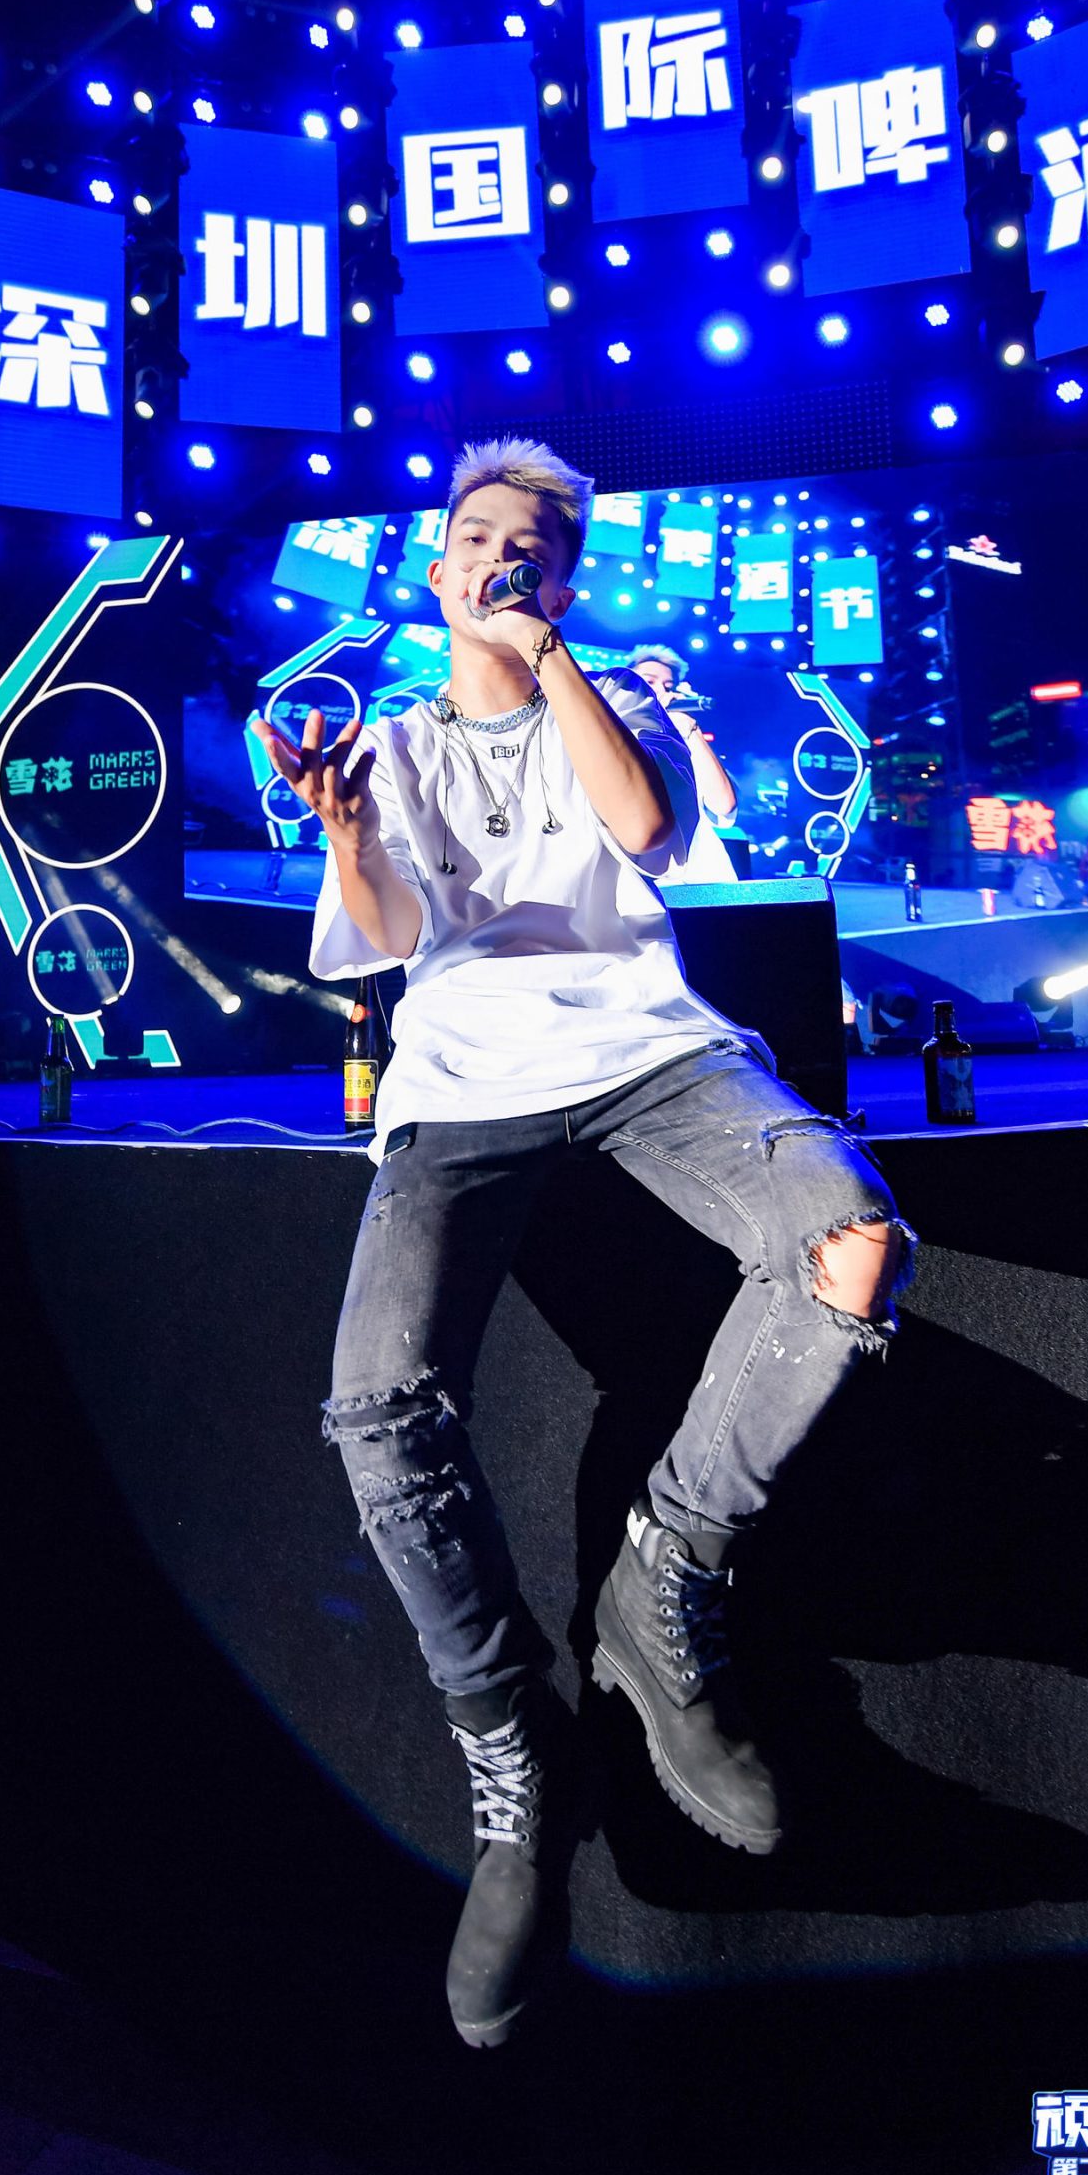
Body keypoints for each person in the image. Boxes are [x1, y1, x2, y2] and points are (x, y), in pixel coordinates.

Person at [254, 440, 910, 2052]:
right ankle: (509, 1751)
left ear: (564, 576)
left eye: (532, 545)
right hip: (458, 1092)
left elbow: (645, 831)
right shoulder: (394, 742)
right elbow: (387, 944)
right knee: (376, 1411)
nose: (501, 557)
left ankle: (662, 1574)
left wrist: (552, 661)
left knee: (850, 1247)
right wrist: (345, 834)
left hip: (652, 1058)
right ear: (432, 570)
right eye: (475, 536)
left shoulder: (601, 700)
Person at [626, 643, 739, 884]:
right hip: (639, 885)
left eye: (668, 686)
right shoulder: (612, 735)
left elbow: (723, 805)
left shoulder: (682, 739)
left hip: (701, 882)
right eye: (649, 681)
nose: (661, 690)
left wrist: (688, 727)